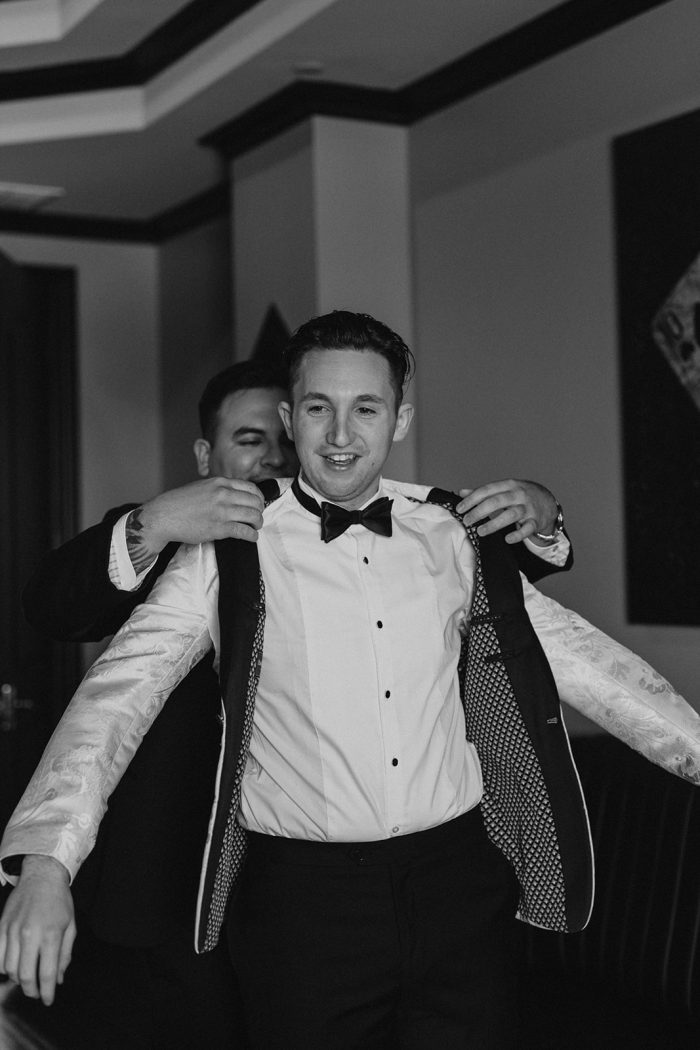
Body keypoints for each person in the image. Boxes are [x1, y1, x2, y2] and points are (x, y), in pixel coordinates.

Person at [3, 311, 697, 1048]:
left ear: (399, 418)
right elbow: (114, 701)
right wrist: (46, 864)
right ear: (288, 417)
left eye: (365, 408)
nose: (340, 434)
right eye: (317, 408)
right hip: (303, 907)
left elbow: (596, 668)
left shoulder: (452, 533)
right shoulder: (227, 545)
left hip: (460, 887)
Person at [8, 359, 298, 1050]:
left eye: (287, 437)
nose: (276, 458)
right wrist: (157, 520)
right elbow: (50, 604)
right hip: (163, 885)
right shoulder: (169, 537)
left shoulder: (354, 548)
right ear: (208, 455)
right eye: (252, 438)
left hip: (298, 892)